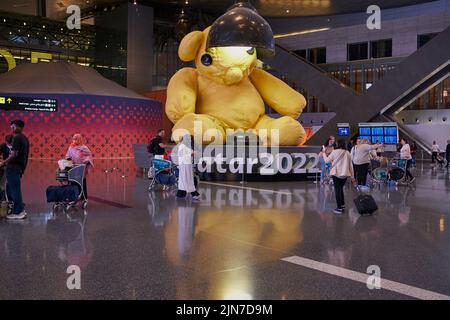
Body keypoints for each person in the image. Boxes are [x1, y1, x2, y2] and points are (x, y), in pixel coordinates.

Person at [0, 120, 30, 220]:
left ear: (18, 127)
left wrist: (3, 162)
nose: (11, 128)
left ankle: (18, 212)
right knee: (13, 189)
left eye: (13, 127)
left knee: (15, 190)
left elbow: (14, 154)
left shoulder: (17, 138)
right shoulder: (25, 138)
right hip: (20, 167)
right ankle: (18, 209)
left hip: (13, 168)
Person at [322, 139, 354, 215]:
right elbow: (350, 165)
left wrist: (323, 153)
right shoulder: (347, 153)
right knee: (340, 189)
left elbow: (326, 161)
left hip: (336, 174)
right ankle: (342, 205)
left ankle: (339, 208)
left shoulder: (334, 152)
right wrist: (352, 176)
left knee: (337, 190)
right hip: (345, 174)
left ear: (338, 144)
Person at [65, 134, 93, 199]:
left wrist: (86, 161)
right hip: (73, 167)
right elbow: (68, 155)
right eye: (74, 139)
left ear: (80, 139)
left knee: (81, 181)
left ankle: (82, 196)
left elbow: (89, 155)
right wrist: (69, 159)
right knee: (73, 181)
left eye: (76, 139)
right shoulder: (71, 147)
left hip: (81, 168)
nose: (75, 140)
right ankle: (74, 196)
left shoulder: (84, 148)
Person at [176, 135, 200, 200]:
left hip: (185, 165)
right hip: (185, 166)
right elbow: (192, 152)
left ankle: (181, 193)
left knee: (184, 179)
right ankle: (193, 193)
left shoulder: (182, 145)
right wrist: (195, 152)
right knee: (188, 179)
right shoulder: (183, 146)